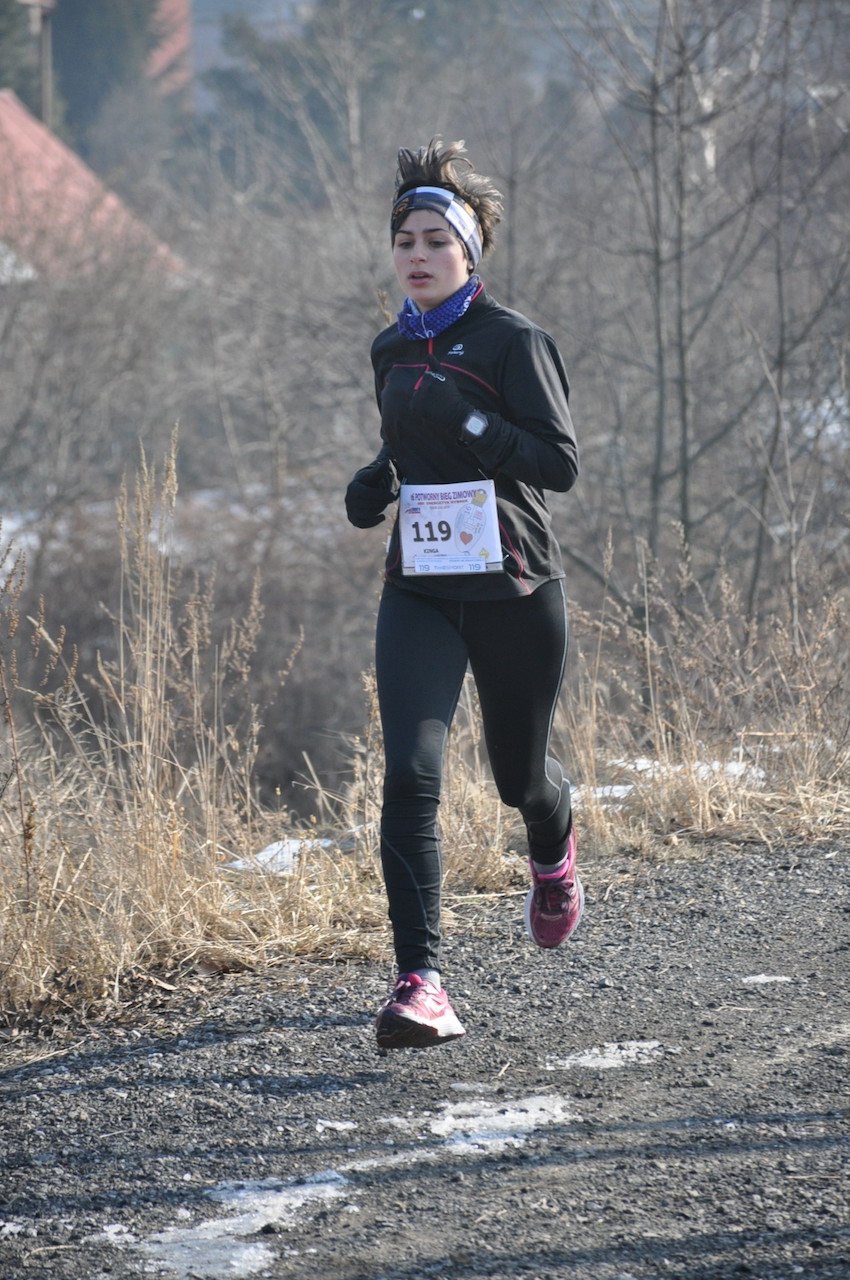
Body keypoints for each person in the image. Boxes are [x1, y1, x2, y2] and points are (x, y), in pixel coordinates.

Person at [345, 138, 583, 1051]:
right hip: (420, 587)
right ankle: (422, 982)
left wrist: (471, 418)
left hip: (513, 584)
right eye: (404, 240)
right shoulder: (389, 349)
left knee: (519, 777)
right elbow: (405, 444)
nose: (416, 255)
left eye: (436, 240)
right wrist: (375, 483)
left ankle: (553, 850)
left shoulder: (514, 342)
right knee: (411, 774)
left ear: (470, 251)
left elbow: (557, 465)